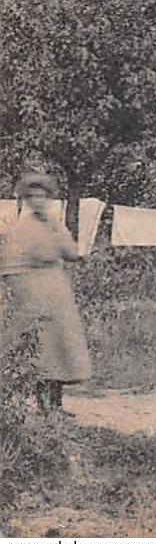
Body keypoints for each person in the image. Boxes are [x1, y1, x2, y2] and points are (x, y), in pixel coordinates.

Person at [1, 173, 92, 415]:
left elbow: (71, 252)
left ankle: (57, 404)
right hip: (34, 295)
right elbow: (10, 268)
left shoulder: (53, 224)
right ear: (26, 201)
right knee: (43, 350)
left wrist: (59, 233)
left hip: (57, 293)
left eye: (43, 197)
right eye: (33, 197)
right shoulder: (21, 229)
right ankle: (44, 406)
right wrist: (25, 300)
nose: (39, 201)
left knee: (62, 347)